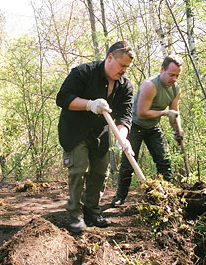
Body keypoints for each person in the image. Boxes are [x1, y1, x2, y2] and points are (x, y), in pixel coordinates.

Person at [56, 41, 135, 233]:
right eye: (122, 65)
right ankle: (75, 215)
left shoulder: (125, 86)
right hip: (75, 130)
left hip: (100, 133)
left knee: (101, 172)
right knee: (78, 169)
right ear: (110, 58)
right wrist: (89, 104)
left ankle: (92, 211)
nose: (124, 70)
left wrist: (122, 138)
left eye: (127, 67)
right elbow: (63, 98)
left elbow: (125, 115)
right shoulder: (83, 72)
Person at [111, 54, 185, 206]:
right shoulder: (150, 85)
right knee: (129, 162)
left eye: (177, 75)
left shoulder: (175, 89)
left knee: (165, 161)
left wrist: (178, 130)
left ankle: (168, 197)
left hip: (153, 127)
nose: (174, 79)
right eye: (171, 74)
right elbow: (143, 112)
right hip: (135, 126)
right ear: (162, 70)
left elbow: (174, 113)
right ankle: (120, 197)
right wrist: (165, 113)